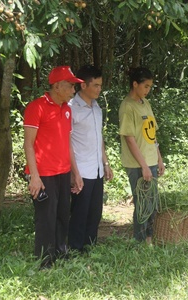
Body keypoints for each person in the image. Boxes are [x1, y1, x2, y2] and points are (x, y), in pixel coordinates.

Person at [23, 66, 84, 268]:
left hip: (63, 171)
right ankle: (44, 260)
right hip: (44, 174)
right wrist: (34, 176)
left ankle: (60, 252)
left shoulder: (66, 109)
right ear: (57, 86)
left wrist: (75, 173)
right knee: (46, 218)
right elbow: (28, 144)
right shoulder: (36, 107)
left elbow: (67, 143)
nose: (73, 91)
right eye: (70, 86)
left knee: (62, 214)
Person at [68, 65, 114, 254]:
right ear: (83, 86)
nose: (99, 89)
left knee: (95, 212)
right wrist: (74, 172)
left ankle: (90, 246)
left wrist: (105, 163)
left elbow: (99, 137)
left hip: (96, 169)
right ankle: (75, 248)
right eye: (95, 85)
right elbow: (67, 142)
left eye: (100, 85)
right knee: (79, 212)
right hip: (81, 170)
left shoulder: (97, 108)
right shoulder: (71, 109)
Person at [119, 67, 165, 245]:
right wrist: (144, 166)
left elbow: (152, 134)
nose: (148, 90)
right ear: (135, 84)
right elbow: (129, 139)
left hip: (151, 160)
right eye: (145, 86)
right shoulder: (127, 106)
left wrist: (159, 158)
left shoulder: (145, 103)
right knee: (142, 204)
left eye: (150, 86)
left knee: (152, 203)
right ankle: (140, 242)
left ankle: (149, 239)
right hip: (138, 164)